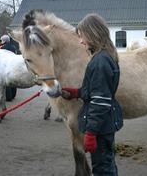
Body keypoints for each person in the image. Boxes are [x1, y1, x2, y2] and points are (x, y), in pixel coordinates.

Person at [62, 13, 123, 176]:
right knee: (107, 164)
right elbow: (100, 91)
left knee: (102, 169)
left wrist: (90, 133)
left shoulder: (100, 62)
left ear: (93, 34)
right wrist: (77, 92)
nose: (81, 41)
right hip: (106, 124)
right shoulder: (105, 56)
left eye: (82, 37)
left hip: (101, 129)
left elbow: (100, 102)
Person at [0, 34, 17, 101]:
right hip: (13, 65)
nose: (1, 41)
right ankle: (13, 95)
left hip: (5, 66)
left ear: (4, 40)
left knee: (6, 82)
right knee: (14, 81)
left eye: (1, 40)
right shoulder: (14, 47)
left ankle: (8, 97)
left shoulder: (2, 48)